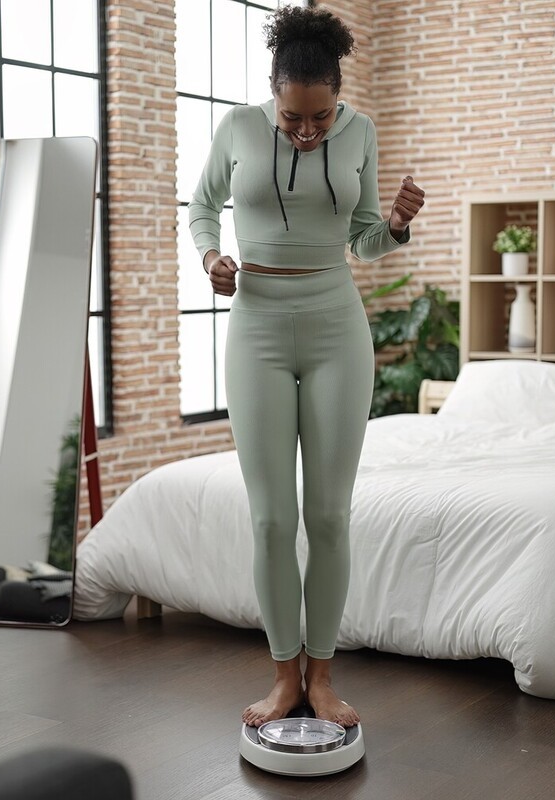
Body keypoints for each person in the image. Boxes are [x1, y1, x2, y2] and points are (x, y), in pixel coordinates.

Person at [187, 5, 424, 729]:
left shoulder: (361, 132)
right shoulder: (234, 128)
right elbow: (201, 207)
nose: (309, 130)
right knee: (268, 519)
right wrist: (211, 258)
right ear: (274, 91)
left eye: (320, 116)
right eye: (294, 118)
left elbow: (364, 239)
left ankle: (322, 678)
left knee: (327, 515)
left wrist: (398, 225)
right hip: (255, 325)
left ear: (336, 95)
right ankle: (282, 677)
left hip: (335, 330)